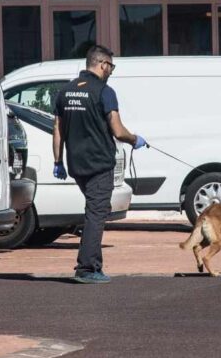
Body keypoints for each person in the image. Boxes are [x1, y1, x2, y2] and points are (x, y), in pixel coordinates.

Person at [52, 45, 146, 284]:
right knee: (96, 214)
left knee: (93, 210)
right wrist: (135, 139)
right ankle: (87, 268)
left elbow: (57, 129)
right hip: (100, 164)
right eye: (111, 66)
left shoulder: (66, 91)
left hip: (76, 165)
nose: (111, 71)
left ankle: (89, 263)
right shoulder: (105, 91)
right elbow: (117, 129)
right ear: (102, 64)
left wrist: (58, 161)